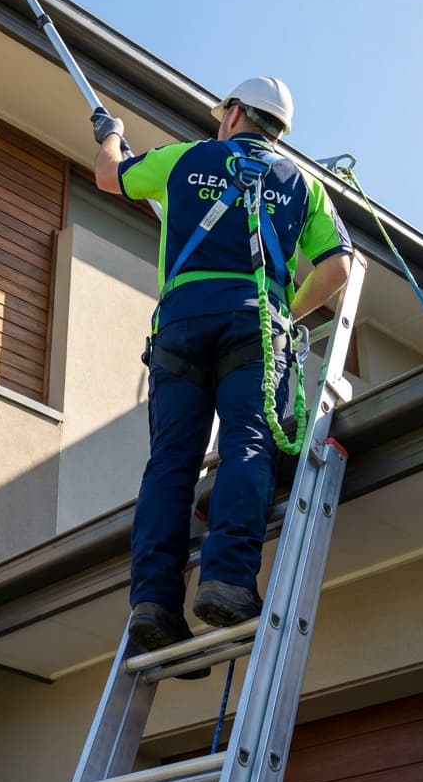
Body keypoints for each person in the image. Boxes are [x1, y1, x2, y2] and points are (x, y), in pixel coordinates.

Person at [93, 77, 353, 661]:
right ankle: (227, 583)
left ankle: (153, 604)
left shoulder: (184, 158)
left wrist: (112, 137)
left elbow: (111, 176)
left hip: (182, 326)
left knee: (170, 464)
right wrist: (287, 313)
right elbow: (339, 267)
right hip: (254, 327)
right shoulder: (303, 185)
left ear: (235, 113)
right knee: (248, 443)